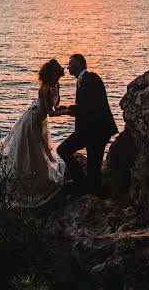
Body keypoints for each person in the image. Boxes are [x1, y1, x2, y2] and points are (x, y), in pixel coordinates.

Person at [1, 59, 72, 208]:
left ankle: (42, 177)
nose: (62, 70)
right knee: (34, 150)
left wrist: (66, 108)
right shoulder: (45, 89)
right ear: (54, 72)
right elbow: (50, 113)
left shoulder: (56, 86)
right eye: (59, 69)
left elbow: (55, 106)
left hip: (41, 120)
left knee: (42, 148)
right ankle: (33, 182)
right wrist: (68, 112)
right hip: (33, 121)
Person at [56, 53, 119, 196]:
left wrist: (74, 109)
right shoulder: (82, 80)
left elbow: (95, 104)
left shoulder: (92, 78)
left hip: (98, 131)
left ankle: (94, 193)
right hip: (87, 131)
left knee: (93, 167)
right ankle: (85, 185)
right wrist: (70, 109)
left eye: (70, 63)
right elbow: (86, 106)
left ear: (78, 63)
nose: (68, 66)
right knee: (64, 150)